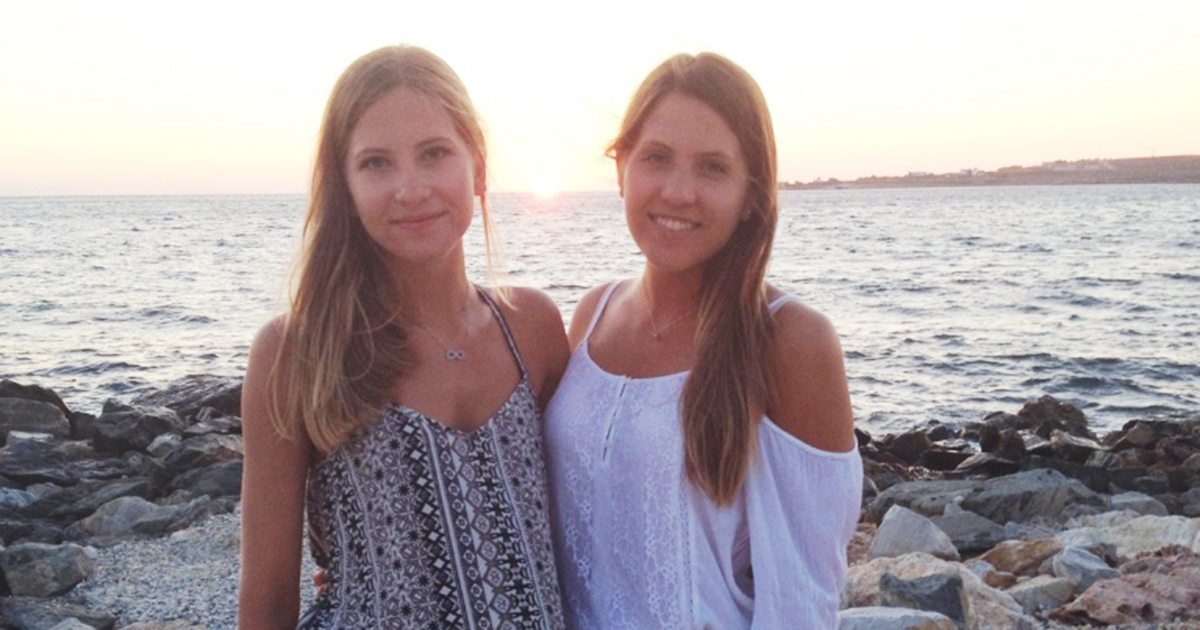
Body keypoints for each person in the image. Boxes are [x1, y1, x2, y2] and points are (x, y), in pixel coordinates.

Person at [237, 45, 569, 629]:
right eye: (376, 163)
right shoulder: (298, 353)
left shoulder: (533, 328)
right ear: (344, 185)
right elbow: (267, 595)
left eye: (434, 153)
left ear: (478, 167)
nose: (410, 190)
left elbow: (570, 533)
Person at [544, 52, 863, 629]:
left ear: (751, 195)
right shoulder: (593, 313)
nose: (678, 191)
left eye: (713, 168)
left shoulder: (791, 340)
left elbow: (803, 598)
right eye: (656, 158)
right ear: (622, 170)